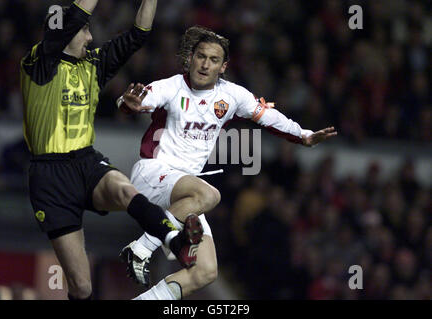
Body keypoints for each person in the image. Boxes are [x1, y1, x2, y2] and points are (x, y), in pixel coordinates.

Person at [117, 26, 337, 300]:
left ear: (223, 66)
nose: (204, 64)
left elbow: (269, 117)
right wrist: (127, 104)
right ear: (191, 58)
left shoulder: (232, 96)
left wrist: (303, 135)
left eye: (212, 59)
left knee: (206, 272)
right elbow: (136, 100)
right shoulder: (171, 86)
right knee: (209, 194)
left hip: (185, 191)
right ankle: (141, 248)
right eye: (200, 56)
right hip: (153, 173)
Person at [20, 0, 203, 300]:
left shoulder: (94, 63)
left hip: (86, 161)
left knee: (124, 190)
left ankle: (175, 239)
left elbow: (139, 34)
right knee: (81, 287)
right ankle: (170, 236)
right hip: (50, 177)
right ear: (66, 33)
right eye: (84, 31)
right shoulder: (39, 63)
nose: (90, 37)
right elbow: (76, 14)